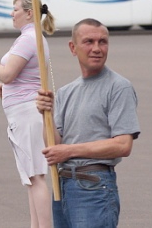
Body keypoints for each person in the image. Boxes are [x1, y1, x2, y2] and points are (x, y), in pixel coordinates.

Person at [36, 18, 140, 228]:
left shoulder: (119, 87)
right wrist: (45, 114)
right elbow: (54, 145)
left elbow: (123, 145)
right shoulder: (66, 92)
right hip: (62, 185)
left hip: (94, 187)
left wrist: (69, 151)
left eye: (103, 42)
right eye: (89, 42)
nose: (97, 48)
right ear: (73, 47)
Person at [0, 0, 55, 228]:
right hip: (23, 110)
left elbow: (8, 73)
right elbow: (16, 77)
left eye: (15, 9)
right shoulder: (30, 38)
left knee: (36, 177)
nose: (12, 13)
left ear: (29, 13)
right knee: (31, 178)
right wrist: (6, 89)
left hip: (27, 113)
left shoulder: (29, 38)